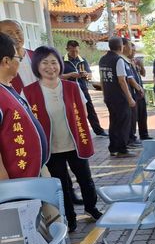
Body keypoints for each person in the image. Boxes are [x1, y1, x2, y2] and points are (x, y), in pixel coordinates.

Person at [23, 46, 101, 232]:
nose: (50, 67)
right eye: (45, 63)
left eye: (54, 62)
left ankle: (91, 208)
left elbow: (83, 113)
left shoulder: (72, 87)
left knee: (86, 180)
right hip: (51, 148)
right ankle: (70, 217)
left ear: (60, 64)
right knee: (62, 185)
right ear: (37, 66)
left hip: (74, 143)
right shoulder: (29, 92)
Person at [0, 32, 48, 179]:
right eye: (18, 58)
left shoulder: (7, 87)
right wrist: (5, 185)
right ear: (6, 61)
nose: (20, 62)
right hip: (17, 185)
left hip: (31, 174)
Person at [99, 37, 136, 158]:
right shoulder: (118, 60)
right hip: (120, 98)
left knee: (114, 122)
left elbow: (102, 80)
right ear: (121, 47)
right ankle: (122, 149)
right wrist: (130, 98)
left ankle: (113, 147)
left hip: (109, 97)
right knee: (123, 123)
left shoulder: (103, 59)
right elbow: (122, 80)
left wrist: (104, 94)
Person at [61, 40, 108, 137]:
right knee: (71, 111)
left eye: (76, 51)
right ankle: (73, 132)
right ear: (67, 49)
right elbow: (59, 76)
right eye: (72, 51)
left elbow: (90, 75)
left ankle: (99, 130)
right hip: (68, 90)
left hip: (82, 89)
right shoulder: (61, 61)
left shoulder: (82, 60)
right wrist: (71, 75)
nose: (74, 54)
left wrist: (87, 75)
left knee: (90, 109)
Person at [0, 20, 35, 94]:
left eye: (18, 32)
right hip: (15, 101)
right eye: (9, 33)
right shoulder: (2, 62)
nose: (16, 36)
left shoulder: (37, 56)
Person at [121, 38, 143, 148]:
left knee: (135, 116)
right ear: (124, 46)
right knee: (130, 117)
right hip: (129, 94)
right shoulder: (122, 61)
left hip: (134, 93)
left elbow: (140, 75)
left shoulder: (131, 62)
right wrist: (138, 88)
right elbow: (128, 79)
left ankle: (133, 137)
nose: (132, 51)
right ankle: (130, 139)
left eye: (134, 50)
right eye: (131, 48)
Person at [130, 42, 150, 140]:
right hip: (132, 93)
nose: (133, 52)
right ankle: (132, 137)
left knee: (143, 114)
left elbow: (143, 74)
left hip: (140, 92)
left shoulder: (136, 61)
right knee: (133, 117)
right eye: (132, 50)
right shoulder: (125, 62)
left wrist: (141, 66)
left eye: (134, 50)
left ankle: (144, 134)